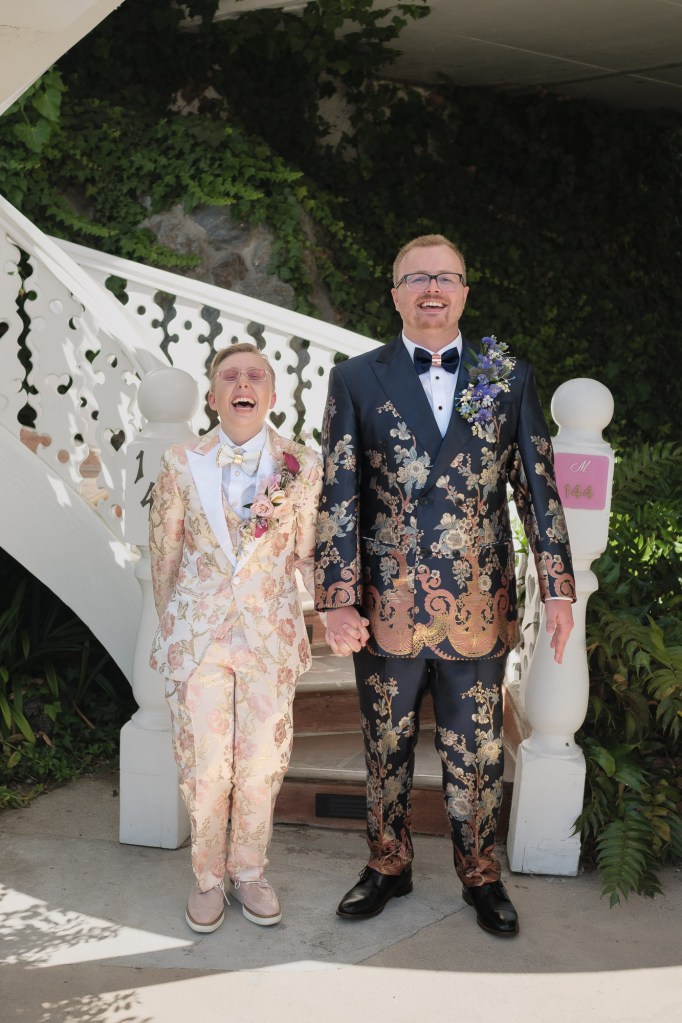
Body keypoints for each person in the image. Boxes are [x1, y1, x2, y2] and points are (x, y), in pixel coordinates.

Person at [314, 234, 575, 936]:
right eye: (416, 277)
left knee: (478, 750)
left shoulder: (503, 374)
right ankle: (387, 864)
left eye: (446, 277)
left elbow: (536, 485)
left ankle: (480, 876)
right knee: (385, 744)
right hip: (385, 603)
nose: (432, 289)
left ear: (465, 289)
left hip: (476, 603)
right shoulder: (357, 377)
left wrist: (557, 586)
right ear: (394, 292)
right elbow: (338, 489)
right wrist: (336, 598)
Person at [149, 342, 322, 934]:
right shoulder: (179, 462)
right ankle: (206, 879)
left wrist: (340, 608)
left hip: (269, 637)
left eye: (255, 376)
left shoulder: (303, 464)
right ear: (215, 395)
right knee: (204, 763)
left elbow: (307, 555)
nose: (242, 384)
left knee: (262, 762)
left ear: (271, 395)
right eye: (230, 376)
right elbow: (164, 556)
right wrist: (174, 628)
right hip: (199, 639)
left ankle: (249, 872)